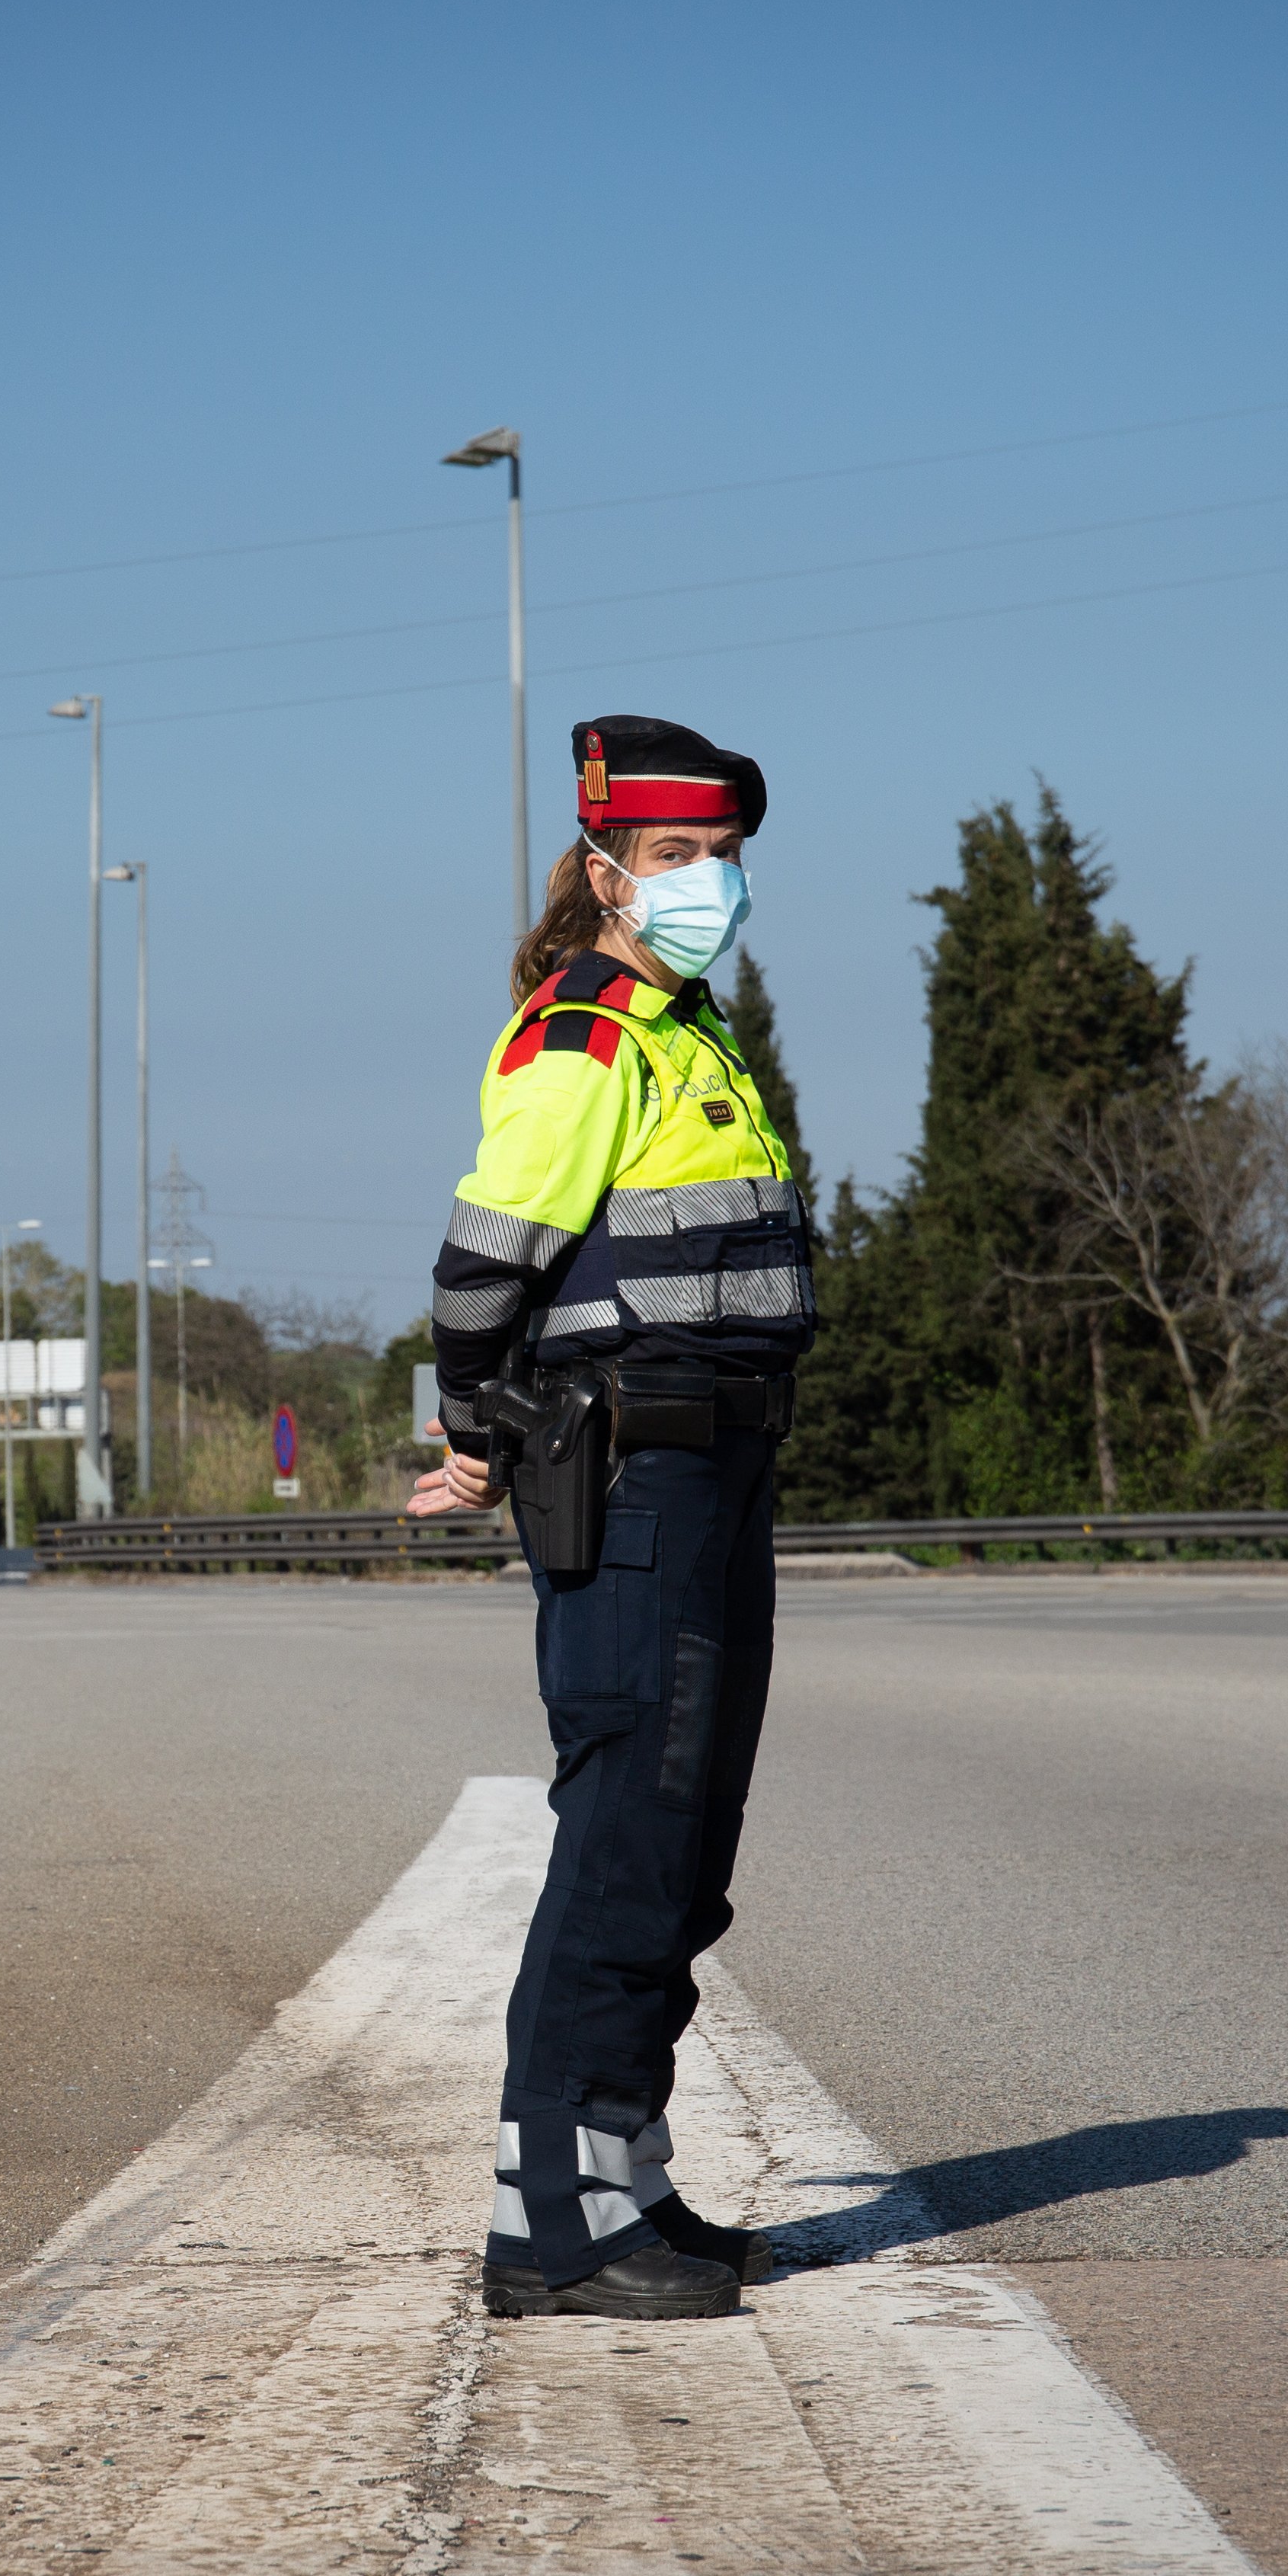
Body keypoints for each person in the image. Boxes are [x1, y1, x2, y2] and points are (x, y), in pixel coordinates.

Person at [411, 715, 815, 2321]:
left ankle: (625, 2172)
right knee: (625, 1829)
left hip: (717, 1473)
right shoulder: (583, 1037)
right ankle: (553, 2230)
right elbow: (482, 1263)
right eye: (673, 859)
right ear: (601, 870)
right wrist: (469, 1429)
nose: (706, 882)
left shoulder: (687, 1030)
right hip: (634, 1472)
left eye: (722, 858)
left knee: (685, 1842)